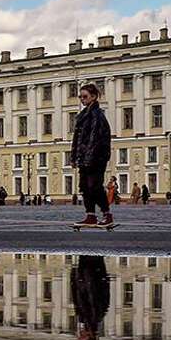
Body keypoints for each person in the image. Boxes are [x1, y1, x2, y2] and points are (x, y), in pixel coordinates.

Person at [69, 81, 114, 230]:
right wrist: (74, 157)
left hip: (96, 158)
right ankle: (90, 215)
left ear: (94, 97)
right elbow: (77, 139)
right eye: (80, 97)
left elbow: (96, 139)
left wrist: (91, 157)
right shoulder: (82, 116)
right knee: (84, 187)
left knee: (95, 187)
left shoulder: (97, 115)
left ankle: (107, 215)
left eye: (85, 96)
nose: (82, 99)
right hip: (84, 158)